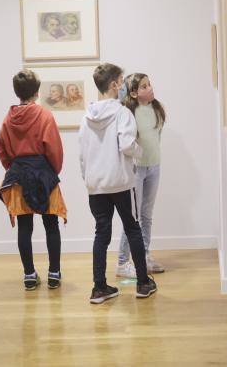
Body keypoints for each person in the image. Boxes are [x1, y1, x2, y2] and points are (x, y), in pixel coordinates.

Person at [78, 63, 158, 304]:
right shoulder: (122, 113)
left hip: (96, 185)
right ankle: (143, 283)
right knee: (133, 228)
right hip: (121, 183)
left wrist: (89, 179)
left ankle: (99, 288)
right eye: (121, 81)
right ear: (113, 85)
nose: (123, 86)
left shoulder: (86, 117)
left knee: (101, 233)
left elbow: (82, 154)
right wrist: (138, 150)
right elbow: (126, 144)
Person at [0, 70, 68, 291]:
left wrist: (14, 167)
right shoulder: (45, 115)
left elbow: (2, 149)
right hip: (42, 172)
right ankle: (54, 273)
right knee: (51, 224)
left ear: (16, 92)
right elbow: (54, 148)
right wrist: (52, 171)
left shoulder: (9, 118)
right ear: (37, 92)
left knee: (24, 226)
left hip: (19, 174)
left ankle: (29, 274)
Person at [115, 73, 167, 278]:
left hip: (154, 167)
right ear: (134, 93)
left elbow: (156, 137)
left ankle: (143, 256)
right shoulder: (128, 112)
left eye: (150, 84)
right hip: (136, 169)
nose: (150, 88)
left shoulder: (157, 109)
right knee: (133, 217)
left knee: (147, 215)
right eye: (144, 86)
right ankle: (122, 261)